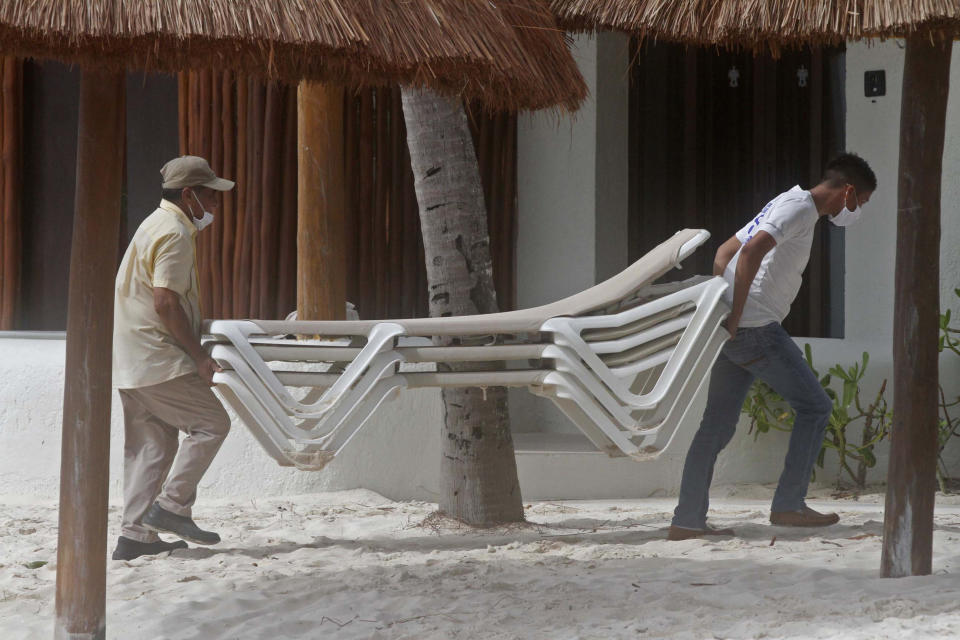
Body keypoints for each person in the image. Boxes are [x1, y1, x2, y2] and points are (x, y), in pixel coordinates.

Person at [668, 153, 877, 541]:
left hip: (737, 330)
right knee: (816, 406)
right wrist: (737, 315)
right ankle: (788, 505)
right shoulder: (799, 209)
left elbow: (723, 253)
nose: (856, 211)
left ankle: (687, 520)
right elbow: (748, 253)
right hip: (757, 329)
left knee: (714, 427)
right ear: (848, 190)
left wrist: (724, 309)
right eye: (860, 202)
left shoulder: (785, 202)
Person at [111, 156, 235, 560]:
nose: (215, 206)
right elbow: (165, 301)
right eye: (210, 197)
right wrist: (199, 356)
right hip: (157, 357)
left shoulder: (152, 223)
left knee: (152, 446)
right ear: (189, 195)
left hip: (132, 359)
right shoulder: (175, 232)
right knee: (212, 424)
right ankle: (171, 507)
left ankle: (135, 538)